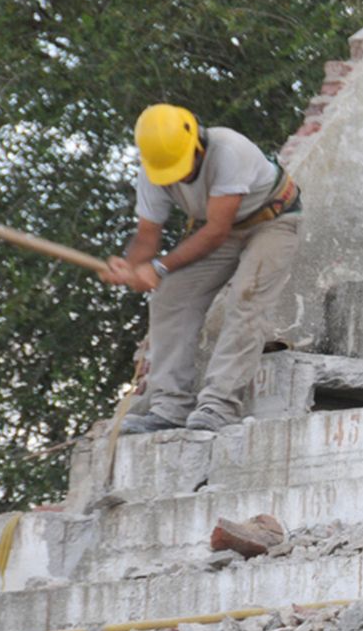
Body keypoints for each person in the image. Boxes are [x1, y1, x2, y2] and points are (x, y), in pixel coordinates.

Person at [102, 104, 302, 433]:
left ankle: (219, 406)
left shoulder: (228, 151)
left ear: (196, 143)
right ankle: (168, 408)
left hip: (274, 221)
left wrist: (159, 267)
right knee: (170, 298)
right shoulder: (152, 170)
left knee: (246, 297)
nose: (176, 176)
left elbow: (215, 232)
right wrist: (129, 265)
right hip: (225, 230)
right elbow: (147, 237)